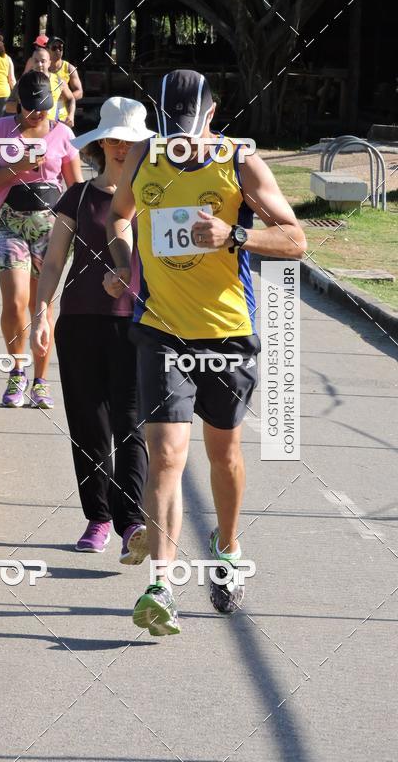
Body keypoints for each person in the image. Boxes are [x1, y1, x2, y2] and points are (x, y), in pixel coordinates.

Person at [104, 69, 307, 635]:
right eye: (171, 129)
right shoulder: (144, 156)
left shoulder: (239, 162)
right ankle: (161, 586)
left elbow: (295, 239)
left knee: (224, 457)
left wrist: (234, 235)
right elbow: (119, 216)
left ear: (212, 118)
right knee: (167, 456)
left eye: (188, 130)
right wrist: (124, 264)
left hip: (226, 331)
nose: (180, 140)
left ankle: (227, 547)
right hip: (161, 328)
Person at [31, 97, 153, 559]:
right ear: (100, 142)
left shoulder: (156, 197)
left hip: (138, 325)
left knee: (130, 425)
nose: (122, 147)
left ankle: (133, 523)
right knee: (88, 425)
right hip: (80, 322)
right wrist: (41, 312)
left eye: (131, 140)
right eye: (114, 139)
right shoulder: (78, 196)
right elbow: (54, 260)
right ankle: (98, 518)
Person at [0, 70, 83, 409]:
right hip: (8, 224)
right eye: (33, 107)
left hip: (49, 228)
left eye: (45, 107)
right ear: (18, 103)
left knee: (43, 308)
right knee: (16, 301)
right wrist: (18, 165)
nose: (39, 113)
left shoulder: (63, 134)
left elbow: (76, 186)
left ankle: (41, 381)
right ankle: (17, 372)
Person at [7, 46, 76, 127]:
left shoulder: (58, 81)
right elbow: (8, 106)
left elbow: (70, 99)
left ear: (49, 63)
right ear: (32, 63)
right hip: (27, 129)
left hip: (50, 129)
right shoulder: (22, 82)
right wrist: (26, 106)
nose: (39, 65)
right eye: (36, 61)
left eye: (43, 61)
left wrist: (71, 115)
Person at [46, 36, 83, 122]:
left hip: (64, 115)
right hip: (46, 113)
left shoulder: (69, 68)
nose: (58, 50)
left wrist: (65, 97)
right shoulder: (43, 67)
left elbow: (79, 92)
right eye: (54, 48)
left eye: (60, 47)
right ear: (47, 49)